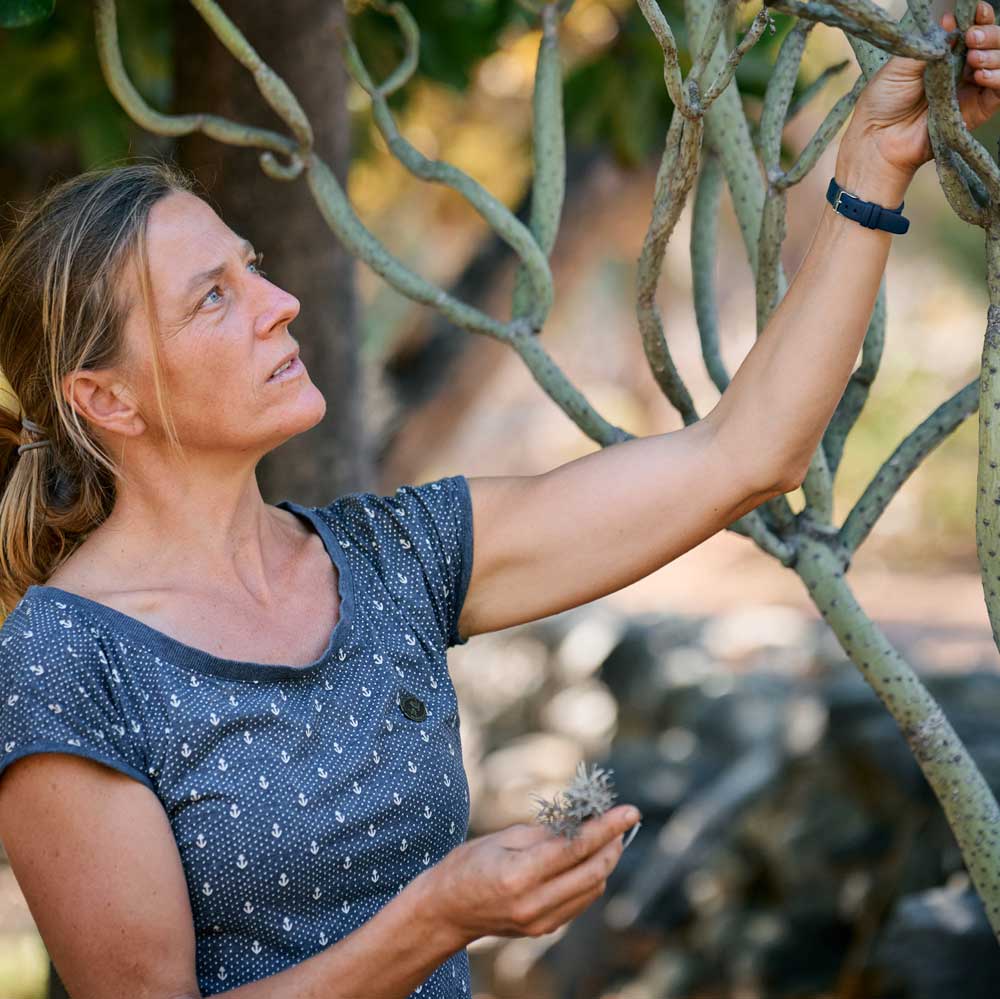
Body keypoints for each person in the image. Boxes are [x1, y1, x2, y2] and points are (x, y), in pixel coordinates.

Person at [0, 5, 997, 997]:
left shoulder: (393, 560)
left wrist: (875, 160)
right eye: (212, 296)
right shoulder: (63, 662)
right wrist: (438, 918)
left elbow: (746, 453)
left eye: (251, 269)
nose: (280, 303)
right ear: (106, 399)